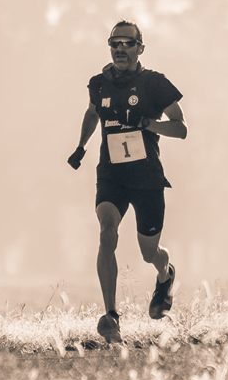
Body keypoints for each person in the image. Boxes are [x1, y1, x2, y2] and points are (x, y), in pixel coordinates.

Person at [68, 21, 187, 344]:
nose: (120, 48)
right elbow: (93, 113)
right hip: (112, 175)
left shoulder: (154, 83)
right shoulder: (99, 83)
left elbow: (180, 127)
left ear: (140, 49)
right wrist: (81, 146)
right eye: (114, 43)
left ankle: (165, 275)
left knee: (149, 253)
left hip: (147, 178)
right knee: (107, 232)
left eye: (127, 43)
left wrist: (149, 124)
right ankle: (111, 317)